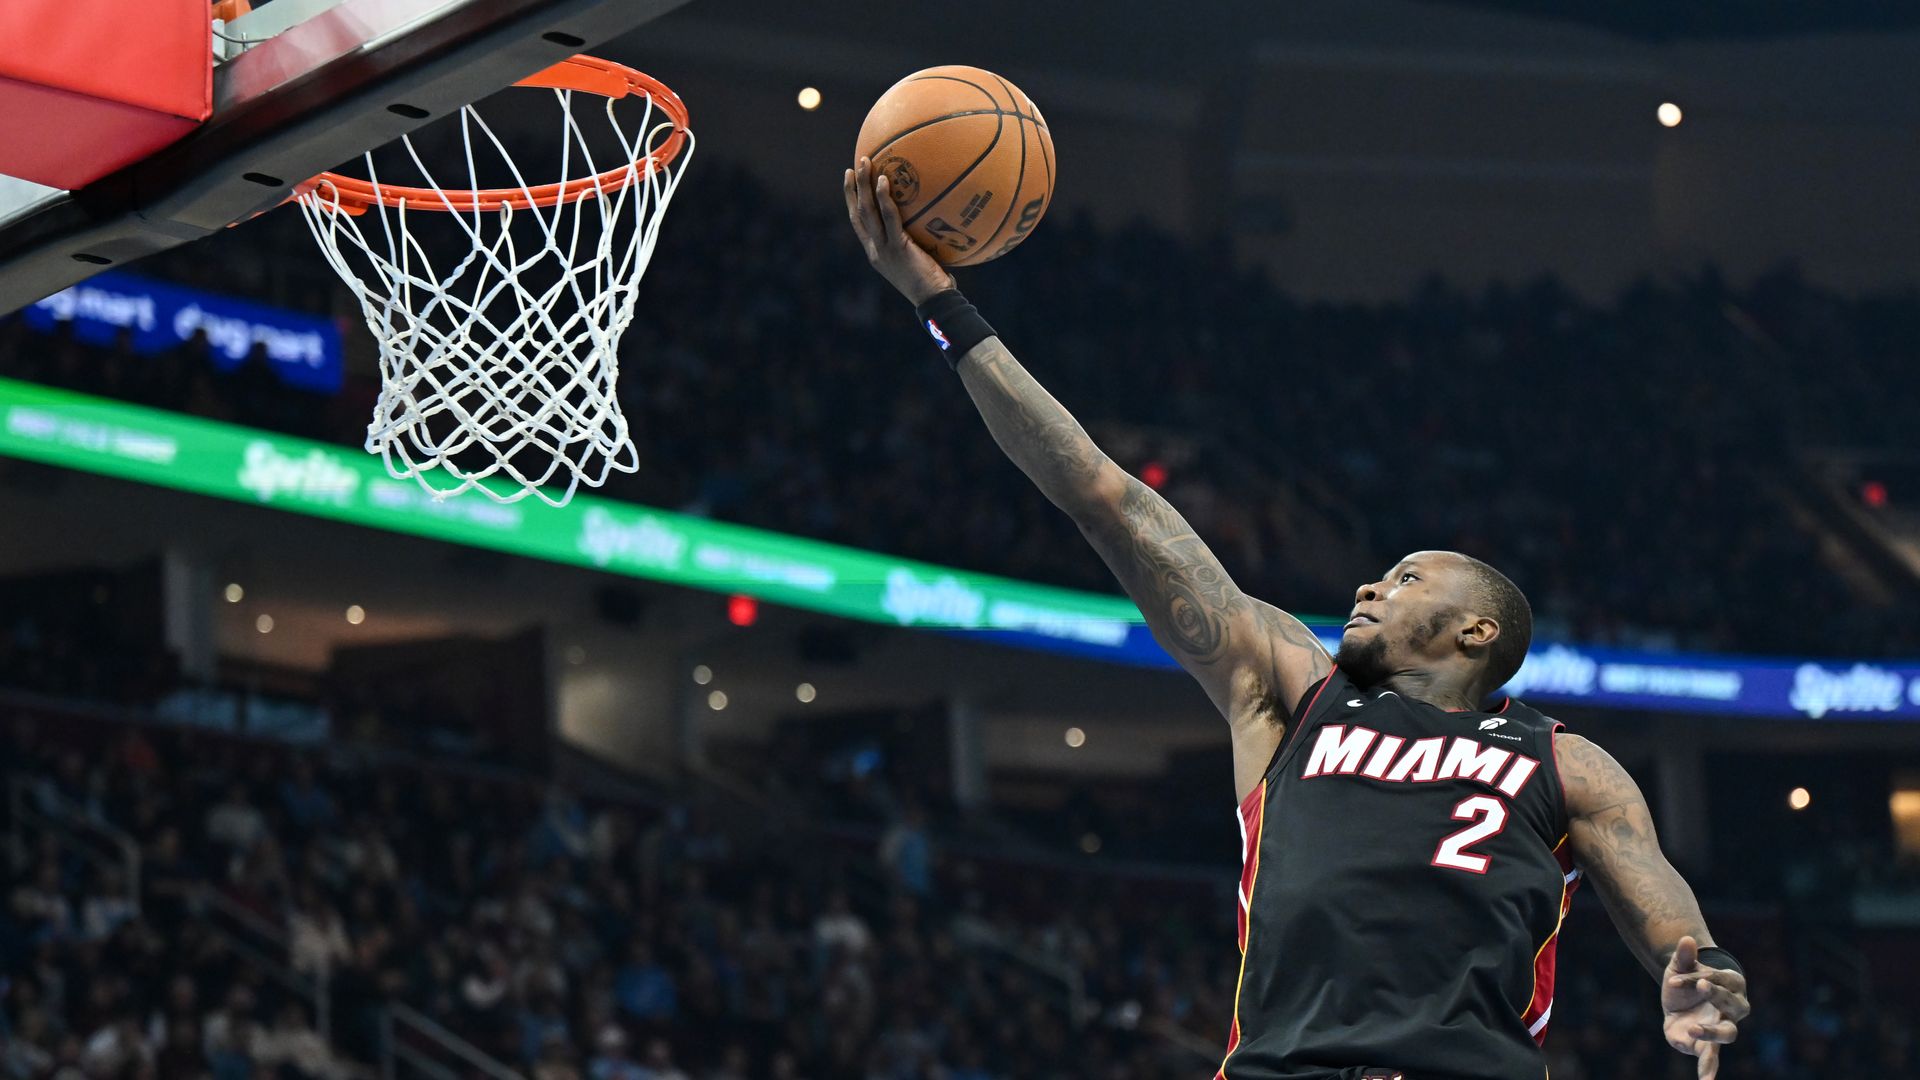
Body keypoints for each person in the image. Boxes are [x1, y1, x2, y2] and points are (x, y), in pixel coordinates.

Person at [843, 158, 1751, 1080]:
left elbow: (1655, 892)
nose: (1368, 587)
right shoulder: (1290, 689)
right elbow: (1106, 499)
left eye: (1404, 577)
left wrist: (1703, 971)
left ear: (1480, 630)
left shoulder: (1563, 760)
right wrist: (942, 305)